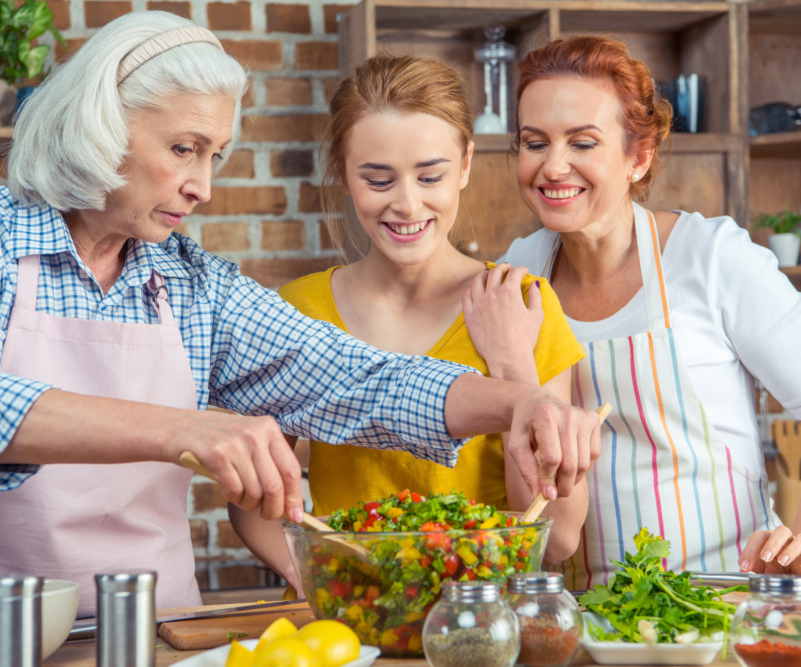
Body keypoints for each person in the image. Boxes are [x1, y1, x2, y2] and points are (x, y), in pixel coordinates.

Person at [0, 12, 603, 617]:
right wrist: (186, 427)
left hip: (160, 627)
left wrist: (515, 401)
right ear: (99, 125)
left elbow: (356, 378)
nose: (203, 187)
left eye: (216, 156)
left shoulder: (191, 281)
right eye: (183, 149)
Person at [469, 35, 801, 589]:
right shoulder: (519, 273)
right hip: (584, 617)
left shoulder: (712, 259)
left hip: (725, 603)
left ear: (638, 157)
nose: (553, 166)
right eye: (534, 142)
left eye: (583, 143)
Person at [229, 55, 595, 585]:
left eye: (430, 176)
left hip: (481, 619)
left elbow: (557, 538)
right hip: (358, 618)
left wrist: (514, 367)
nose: (407, 204)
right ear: (342, 173)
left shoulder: (523, 304)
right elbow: (251, 495)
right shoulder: (296, 311)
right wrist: (320, 581)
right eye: (378, 180)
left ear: (465, 164)